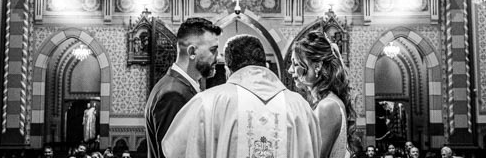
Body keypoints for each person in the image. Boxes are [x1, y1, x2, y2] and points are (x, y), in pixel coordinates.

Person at [162, 33, 321, 158]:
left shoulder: (206, 103)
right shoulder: (299, 106)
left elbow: (174, 149)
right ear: (264, 65)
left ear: (227, 70)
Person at [145, 17, 222, 158]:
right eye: (213, 50)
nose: (217, 58)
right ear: (192, 52)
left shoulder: (178, 86)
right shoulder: (173, 94)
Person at [289, 30, 356, 158]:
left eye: (296, 64)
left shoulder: (328, 106)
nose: (290, 70)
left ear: (317, 66)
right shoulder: (325, 102)